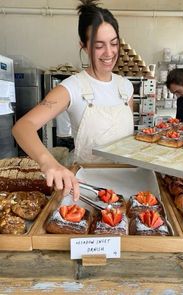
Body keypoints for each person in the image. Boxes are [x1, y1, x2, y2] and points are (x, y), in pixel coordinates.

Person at [12, 0, 134, 201]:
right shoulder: (73, 88)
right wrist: (48, 162)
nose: (109, 53)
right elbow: (22, 127)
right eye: (98, 46)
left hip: (129, 181)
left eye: (114, 43)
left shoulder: (126, 87)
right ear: (84, 46)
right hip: (88, 187)